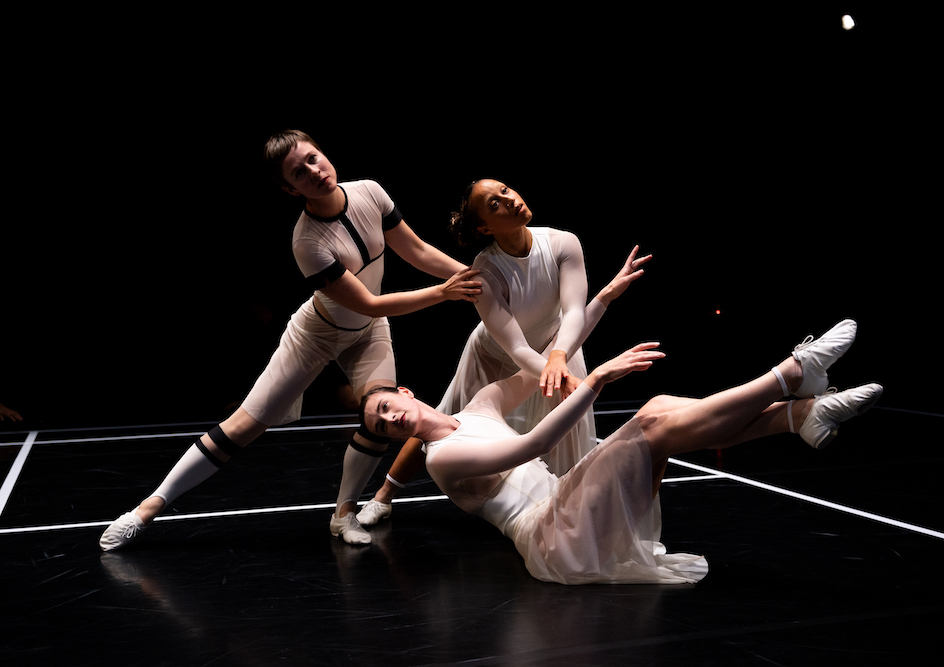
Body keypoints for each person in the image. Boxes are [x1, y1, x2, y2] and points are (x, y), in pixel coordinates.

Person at [99, 129, 482, 550]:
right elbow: (371, 303)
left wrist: (471, 275)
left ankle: (342, 514)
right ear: (289, 188)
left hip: (368, 332)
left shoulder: (371, 192)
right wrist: (444, 293)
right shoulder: (307, 241)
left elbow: (419, 251)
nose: (315, 172)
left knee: (377, 414)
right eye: (300, 173)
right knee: (243, 427)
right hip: (317, 334)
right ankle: (145, 509)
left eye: (314, 158)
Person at [360, 319, 882, 584]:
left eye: (385, 406)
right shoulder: (440, 459)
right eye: (382, 426)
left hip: (570, 506)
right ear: (393, 438)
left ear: (404, 393)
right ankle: (793, 374)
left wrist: (602, 297)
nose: (389, 418)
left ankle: (798, 416)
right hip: (552, 539)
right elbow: (534, 444)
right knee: (653, 420)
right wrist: (600, 377)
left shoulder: (480, 404)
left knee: (662, 415)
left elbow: (548, 360)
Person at [357, 179, 651, 527]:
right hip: (495, 354)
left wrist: (562, 354)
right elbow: (516, 346)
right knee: (442, 419)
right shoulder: (486, 271)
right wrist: (553, 364)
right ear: (484, 227)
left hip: (559, 346)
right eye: (494, 204)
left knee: (563, 431)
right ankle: (383, 497)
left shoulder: (562, 242)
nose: (509, 200)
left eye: (506, 191)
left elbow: (573, 312)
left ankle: (557, 515)